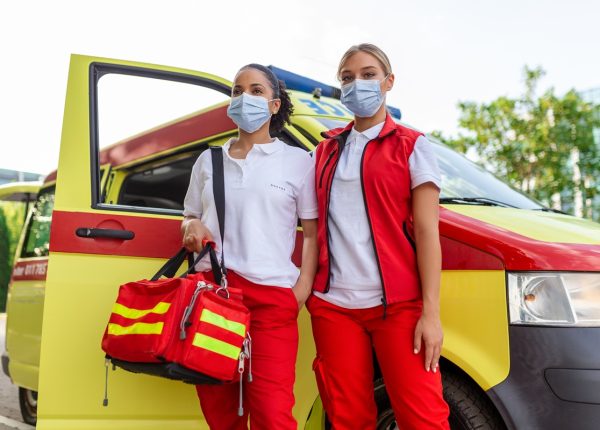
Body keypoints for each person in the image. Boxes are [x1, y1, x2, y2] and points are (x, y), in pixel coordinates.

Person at [308, 43, 450, 429]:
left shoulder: (413, 145)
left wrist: (431, 313)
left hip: (400, 306)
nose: (358, 84)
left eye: (368, 75)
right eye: (348, 78)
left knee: (424, 418)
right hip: (333, 307)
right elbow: (306, 222)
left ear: (388, 82)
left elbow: (426, 231)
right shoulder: (324, 151)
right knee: (347, 419)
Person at [181, 63, 318, 430]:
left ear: (274, 105)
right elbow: (190, 214)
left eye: (256, 91)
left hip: (273, 300)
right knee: (221, 413)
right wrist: (191, 226)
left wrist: (300, 290)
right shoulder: (208, 161)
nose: (245, 97)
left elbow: (313, 232)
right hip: (215, 296)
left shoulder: (298, 162)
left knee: (273, 414)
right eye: (237, 91)